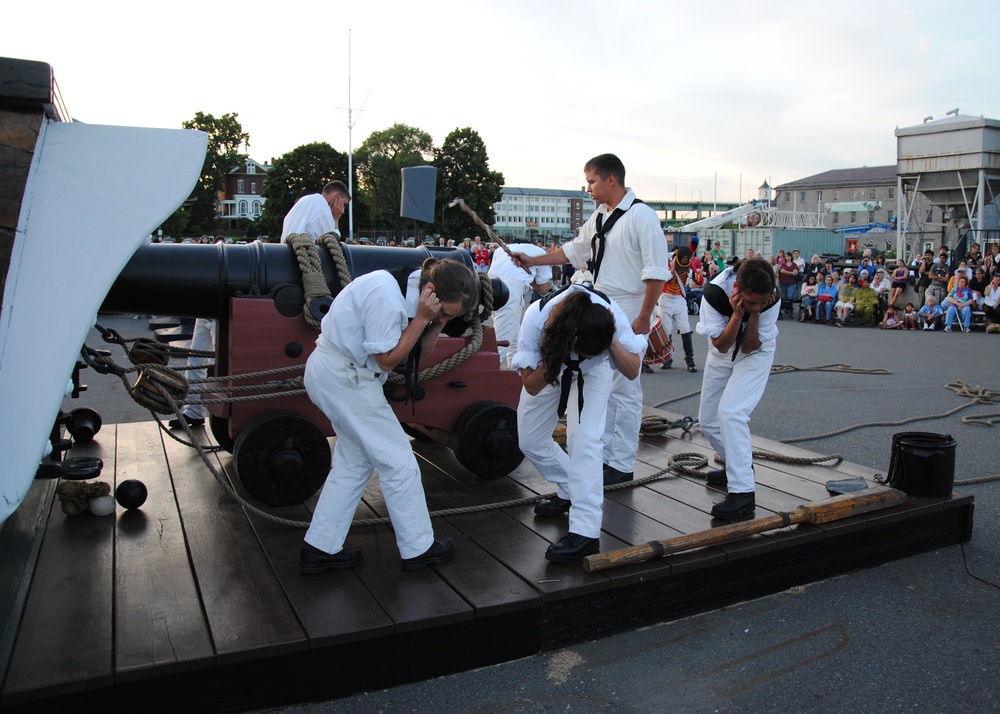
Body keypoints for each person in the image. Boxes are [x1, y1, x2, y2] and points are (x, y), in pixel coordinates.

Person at [299, 258, 479, 573]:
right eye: (446, 311)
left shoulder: (412, 297)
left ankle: (320, 547)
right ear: (431, 290)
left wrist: (433, 321)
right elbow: (385, 361)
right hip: (346, 377)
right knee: (399, 462)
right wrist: (424, 317)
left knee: (353, 463)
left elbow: (416, 355)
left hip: (341, 375)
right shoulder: (385, 293)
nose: (444, 318)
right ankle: (418, 548)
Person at [510, 153, 669, 486]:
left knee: (626, 389)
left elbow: (656, 272)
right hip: (598, 303)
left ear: (611, 180)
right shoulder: (599, 217)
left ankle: (622, 462)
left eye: (592, 181)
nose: (588, 188)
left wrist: (643, 316)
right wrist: (533, 259)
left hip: (628, 304)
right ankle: (604, 457)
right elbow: (573, 251)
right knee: (602, 387)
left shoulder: (642, 217)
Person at [514, 285, 645, 563]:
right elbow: (531, 385)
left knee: (584, 440)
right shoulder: (537, 320)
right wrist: (559, 354)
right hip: (552, 359)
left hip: (593, 373)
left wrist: (610, 340)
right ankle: (570, 487)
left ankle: (585, 533)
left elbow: (632, 370)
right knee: (530, 440)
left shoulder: (610, 318)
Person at [696, 258, 780, 519]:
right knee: (708, 420)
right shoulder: (714, 293)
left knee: (731, 413)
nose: (758, 305)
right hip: (722, 352)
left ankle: (743, 493)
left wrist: (753, 313)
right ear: (737, 290)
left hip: (755, 354)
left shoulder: (770, 300)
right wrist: (737, 314)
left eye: (761, 302)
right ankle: (737, 465)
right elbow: (722, 345)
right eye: (751, 300)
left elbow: (749, 346)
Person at [488, 243, 552, 368]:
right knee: (501, 344)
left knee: (515, 342)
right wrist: (532, 277)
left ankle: (515, 376)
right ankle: (481, 381)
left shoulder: (501, 249)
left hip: (492, 288)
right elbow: (544, 289)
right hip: (511, 292)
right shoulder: (541, 254)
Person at [655, 246, 701, 372]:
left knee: (685, 328)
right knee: (667, 330)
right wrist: (672, 270)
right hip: (666, 298)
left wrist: (695, 274)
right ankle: (667, 358)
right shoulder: (666, 263)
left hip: (679, 299)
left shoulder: (688, 265)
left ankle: (690, 360)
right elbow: (660, 279)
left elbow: (700, 281)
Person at [280, 181, 351, 241]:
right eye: (344, 204)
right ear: (337, 196)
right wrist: (336, 218)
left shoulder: (304, 200)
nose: (342, 210)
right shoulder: (323, 208)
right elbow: (331, 241)